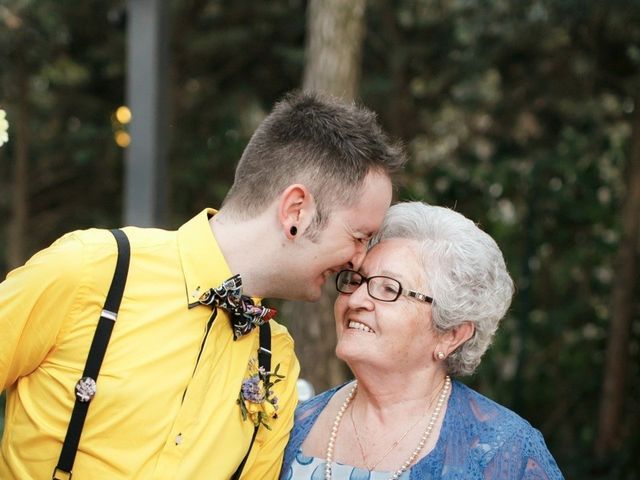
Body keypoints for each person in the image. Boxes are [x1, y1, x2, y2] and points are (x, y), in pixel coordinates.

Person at [0, 91, 406, 479]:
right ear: (295, 210)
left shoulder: (277, 359)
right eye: (358, 236)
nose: (360, 260)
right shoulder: (92, 269)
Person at [281, 202, 564, 480]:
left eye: (389, 288)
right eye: (356, 280)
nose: (355, 299)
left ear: (451, 334)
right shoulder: (291, 425)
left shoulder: (504, 451)